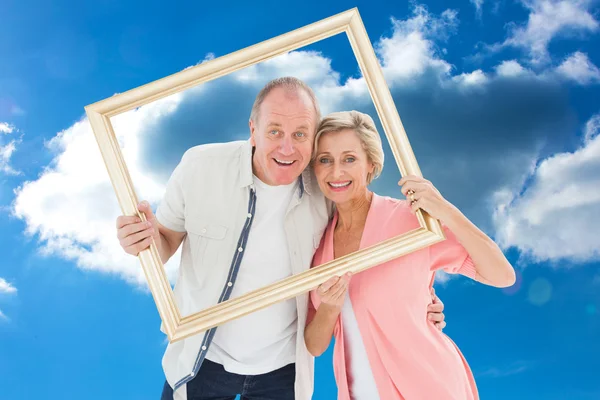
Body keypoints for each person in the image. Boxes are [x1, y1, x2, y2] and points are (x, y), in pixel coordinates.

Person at [115, 77, 447, 400]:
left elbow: (369, 241)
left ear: (313, 138)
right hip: (201, 359)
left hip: (282, 370)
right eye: (275, 131)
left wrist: (420, 300)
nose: (287, 148)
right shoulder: (200, 166)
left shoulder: (328, 188)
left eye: (300, 134)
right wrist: (143, 242)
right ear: (253, 130)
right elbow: (166, 241)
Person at [304, 110, 516, 400]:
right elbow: (315, 346)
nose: (336, 172)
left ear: (371, 164)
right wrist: (329, 307)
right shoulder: (318, 246)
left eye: (349, 159)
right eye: (325, 160)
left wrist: (445, 210)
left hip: (431, 387)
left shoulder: (409, 220)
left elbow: (502, 275)